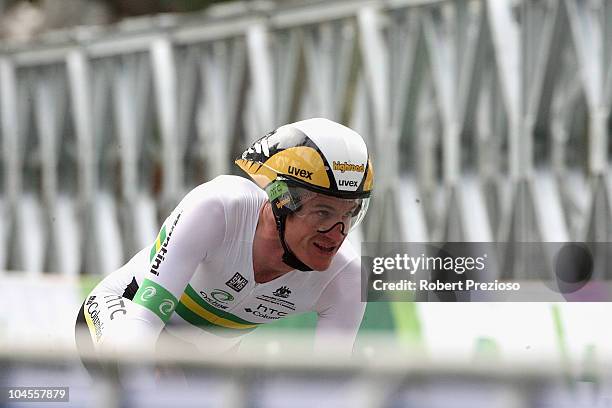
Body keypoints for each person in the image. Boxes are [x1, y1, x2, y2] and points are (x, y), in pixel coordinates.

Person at [74, 117, 374, 367]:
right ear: (283, 200)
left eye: (351, 214)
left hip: (205, 361)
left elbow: (331, 391)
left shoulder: (345, 276)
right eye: (324, 212)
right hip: (127, 312)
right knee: (139, 373)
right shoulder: (217, 210)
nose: (338, 232)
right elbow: (144, 323)